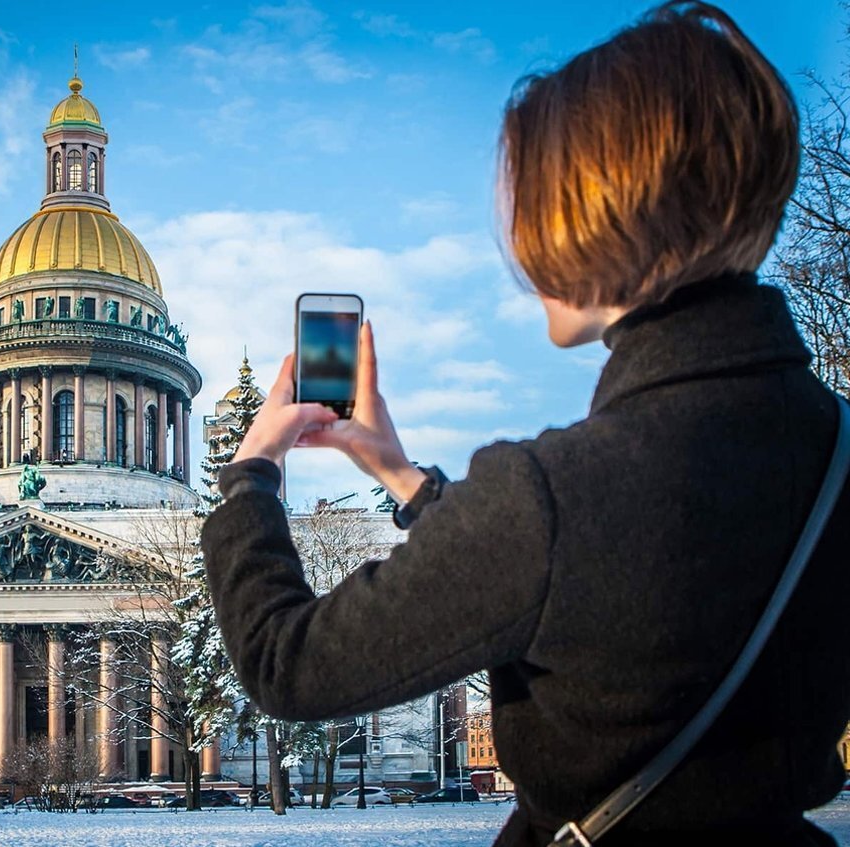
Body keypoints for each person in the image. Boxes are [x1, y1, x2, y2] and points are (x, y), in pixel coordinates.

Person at [200, 3, 850, 846]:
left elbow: (285, 662)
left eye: (535, 206)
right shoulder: (835, 446)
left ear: (602, 216)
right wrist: (404, 478)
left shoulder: (547, 497)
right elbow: (579, 587)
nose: (519, 241)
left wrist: (251, 475)